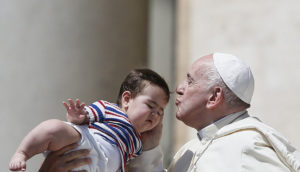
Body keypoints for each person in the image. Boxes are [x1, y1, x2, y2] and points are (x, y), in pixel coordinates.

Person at [39, 53, 300, 172]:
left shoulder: (244, 146)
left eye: (189, 81)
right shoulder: (191, 151)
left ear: (214, 96)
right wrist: (150, 151)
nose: (179, 89)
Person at [9, 68, 170, 172]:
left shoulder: (138, 143)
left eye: (160, 112)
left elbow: (127, 164)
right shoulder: (110, 109)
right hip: (87, 141)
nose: (155, 114)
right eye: (150, 106)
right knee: (53, 128)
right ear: (127, 99)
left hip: (102, 166)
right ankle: (22, 153)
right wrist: (78, 117)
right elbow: (86, 116)